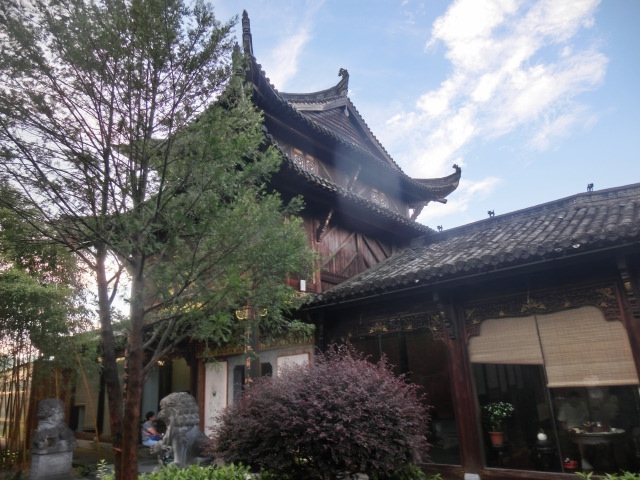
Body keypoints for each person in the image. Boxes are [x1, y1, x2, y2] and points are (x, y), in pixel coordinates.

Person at [557, 390, 591, 470]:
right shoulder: (564, 407)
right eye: (572, 399)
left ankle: (584, 459)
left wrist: (586, 428)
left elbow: (586, 419)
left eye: (576, 399)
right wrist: (568, 431)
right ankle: (579, 460)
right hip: (570, 429)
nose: (574, 401)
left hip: (581, 428)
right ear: (569, 399)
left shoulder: (582, 405)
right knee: (578, 440)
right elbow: (563, 422)